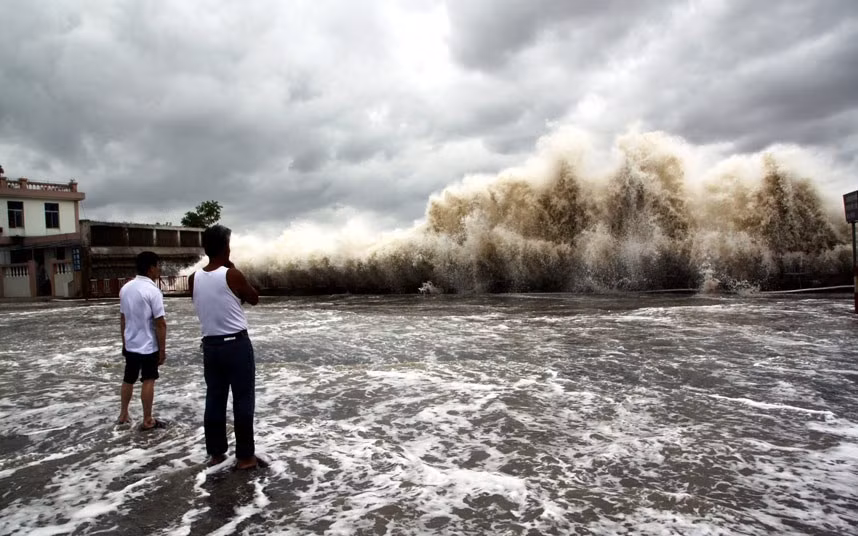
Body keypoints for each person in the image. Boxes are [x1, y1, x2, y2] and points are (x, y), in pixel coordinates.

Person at [189, 224, 260, 469]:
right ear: (225, 247)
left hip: (210, 346)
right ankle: (246, 457)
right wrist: (234, 270)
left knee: (215, 399)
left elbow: (211, 300)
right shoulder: (232, 274)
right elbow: (253, 298)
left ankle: (216, 453)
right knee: (243, 400)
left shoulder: (194, 277)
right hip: (235, 346)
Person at [118, 251, 167, 430]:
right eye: (157, 266)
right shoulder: (153, 291)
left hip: (130, 343)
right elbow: (160, 323)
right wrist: (162, 350)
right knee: (148, 379)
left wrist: (124, 342)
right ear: (151, 268)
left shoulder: (126, 288)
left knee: (128, 379)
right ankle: (147, 419)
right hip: (148, 346)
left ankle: (123, 414)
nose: (158, 270)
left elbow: (123, 319)